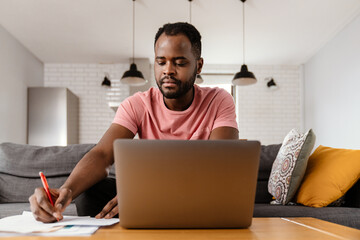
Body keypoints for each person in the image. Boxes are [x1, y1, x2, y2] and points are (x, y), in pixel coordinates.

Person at [29, 22, 239, 223]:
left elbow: (219, 167)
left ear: (198, 65)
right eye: (161, 61)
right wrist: (65, 190)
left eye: (180, 62)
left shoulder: (219, 100)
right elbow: (102, 154)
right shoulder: (138, 104)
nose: (168, 70)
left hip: (196, 193)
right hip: (152, 194)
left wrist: (148, 193)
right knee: (90, 194)